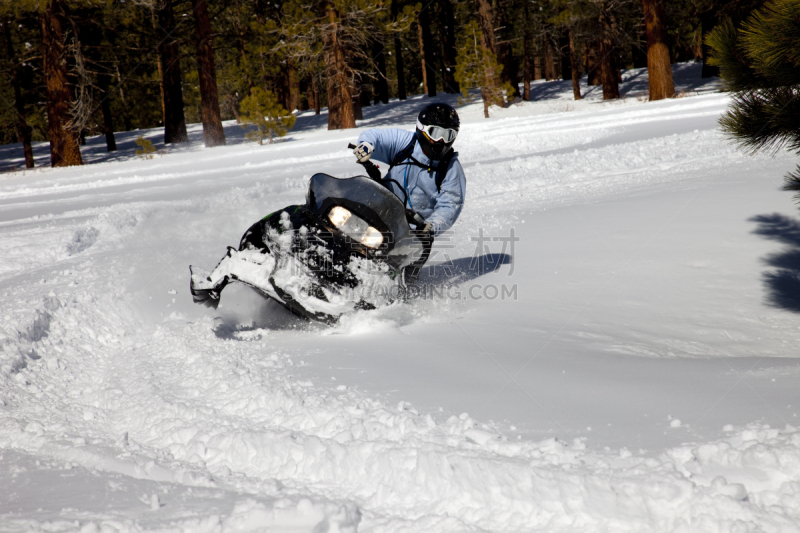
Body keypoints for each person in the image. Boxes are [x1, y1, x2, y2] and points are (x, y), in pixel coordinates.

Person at [353, 102, 466, 284]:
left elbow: (451, 205)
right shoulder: (405, 144)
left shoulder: (450, 168)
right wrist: (366, 145)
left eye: (448, 135)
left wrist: (431, 226)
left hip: (415, 233)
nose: (441, 142)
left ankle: (403, 302)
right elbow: (376, 136)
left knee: (402, 280)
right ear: (422, 129)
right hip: (381, 214)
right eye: (436, 133)